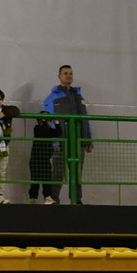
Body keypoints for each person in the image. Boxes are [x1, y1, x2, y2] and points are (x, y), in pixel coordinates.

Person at [43, 65, 93, 205]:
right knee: (58, 173)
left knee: (76, 174)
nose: (69, 76)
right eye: (65, 73)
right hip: (62, 141)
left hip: (78, 142)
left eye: (71, 73)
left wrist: (88, 140)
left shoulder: (78, 96)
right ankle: (54, 200)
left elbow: (85, 119)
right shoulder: (52, 97)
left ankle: (76, 201)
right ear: (59, 76)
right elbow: (49, 121)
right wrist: (54, 142)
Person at [27, 112, 61, 205]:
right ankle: (32, 198)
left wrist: (57, 123)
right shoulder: (37, 128)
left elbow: (58, 133)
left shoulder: (49, 130)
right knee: (35, 179)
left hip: (45, 159)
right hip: (35, 159)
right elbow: (44, 132)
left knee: (47, 179)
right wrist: (48, 124)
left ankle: (47, 197)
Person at [0, 89, 22, 204]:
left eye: (0, 99)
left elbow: (16, 110)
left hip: (3, 146)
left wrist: (4, 114)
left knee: (2, 170)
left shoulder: (6, 110)